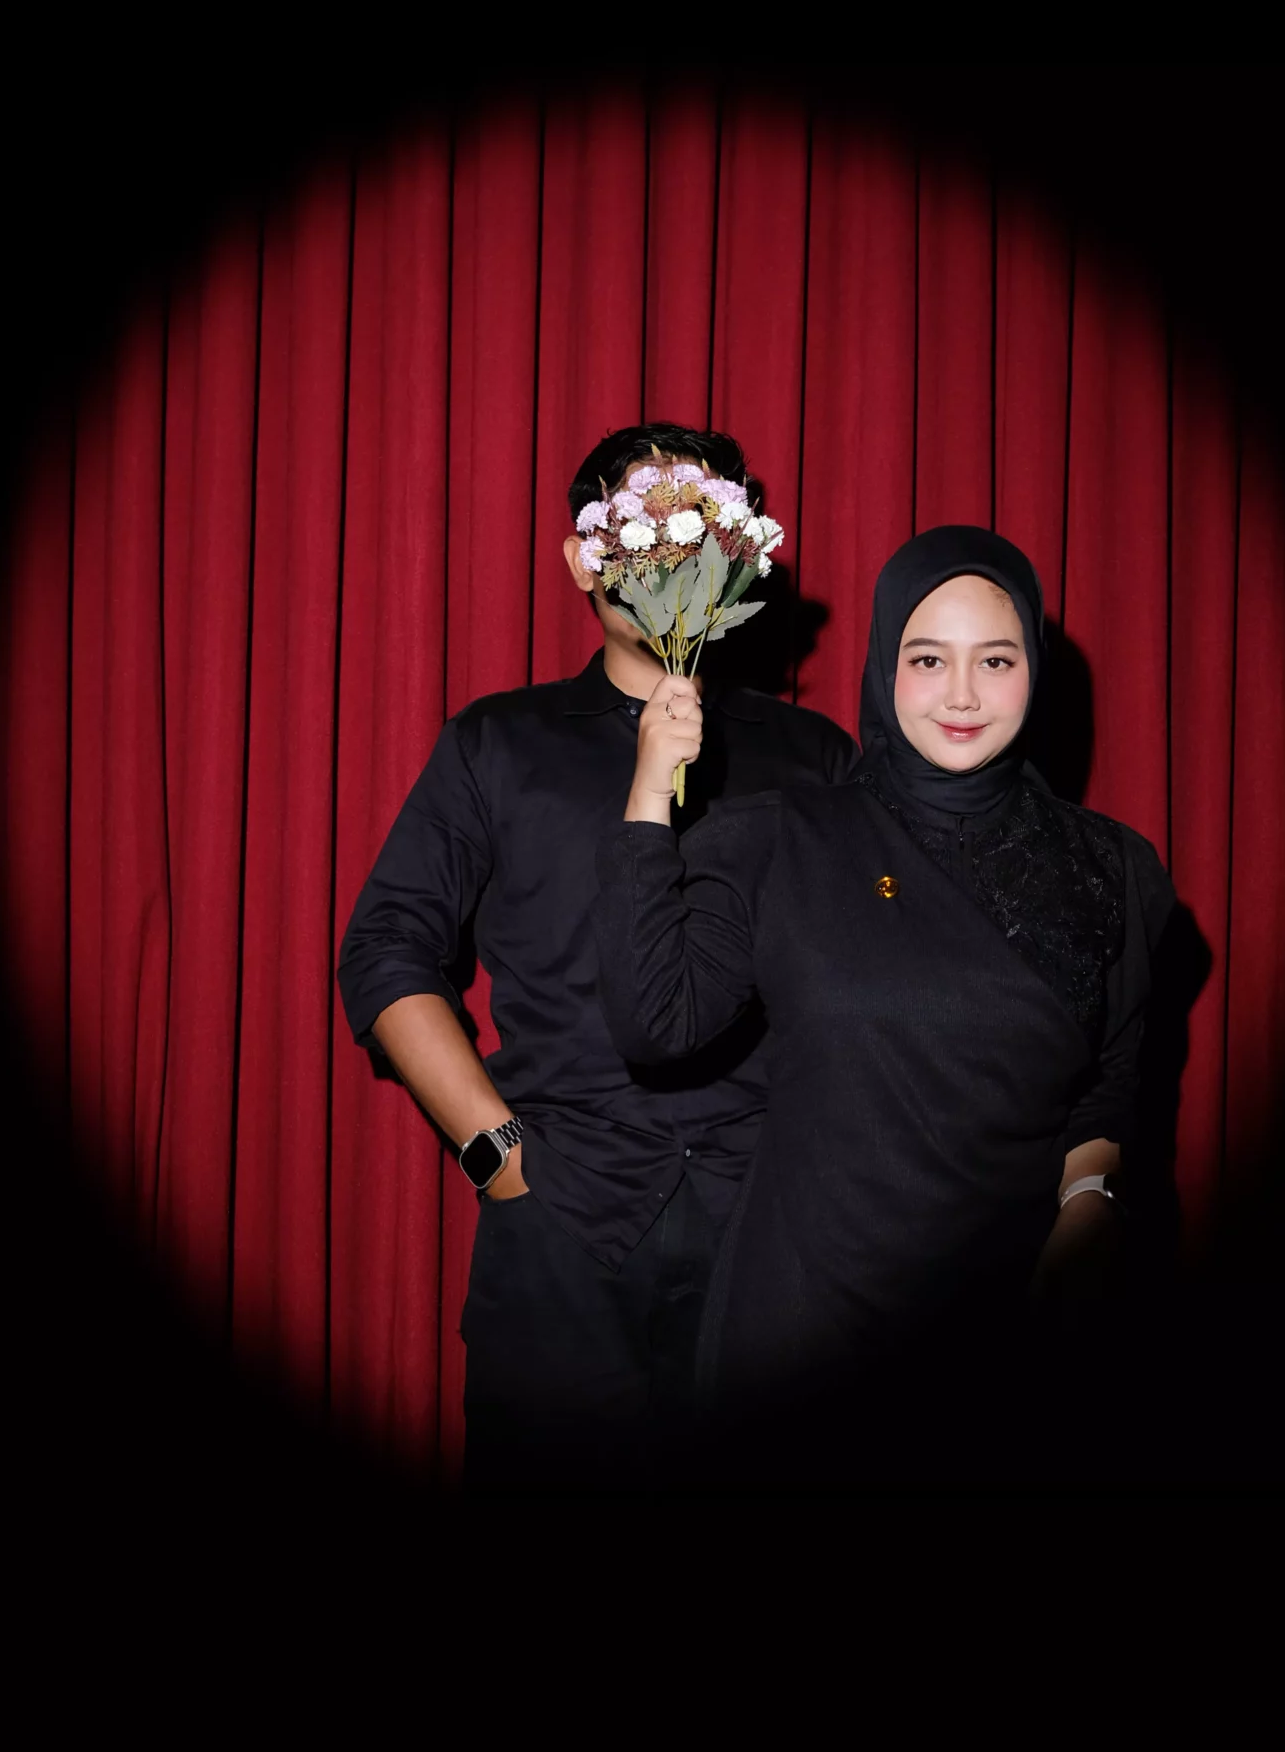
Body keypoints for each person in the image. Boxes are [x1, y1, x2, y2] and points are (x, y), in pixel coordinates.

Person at [592, 524, 1179, 1490]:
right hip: (801, 1334)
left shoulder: (1113, 868)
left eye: (995, 660)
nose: (962, 695)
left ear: (1033, 670)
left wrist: (1089, 1204)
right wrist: (651, 788)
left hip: (1011, 1325)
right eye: (928, 659)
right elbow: (656, 1022)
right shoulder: (785, 838)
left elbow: (1108, 1087)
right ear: (884, 668)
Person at [336, 424, 856, 1493]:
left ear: (734, 551)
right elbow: (386, 950)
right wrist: (499, 1158)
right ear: (583, 556)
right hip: (562, 1231)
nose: (666, 548)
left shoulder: (813, 756)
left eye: (693, 521)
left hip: (769, 1237)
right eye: (640, 519)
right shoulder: (497, 742)